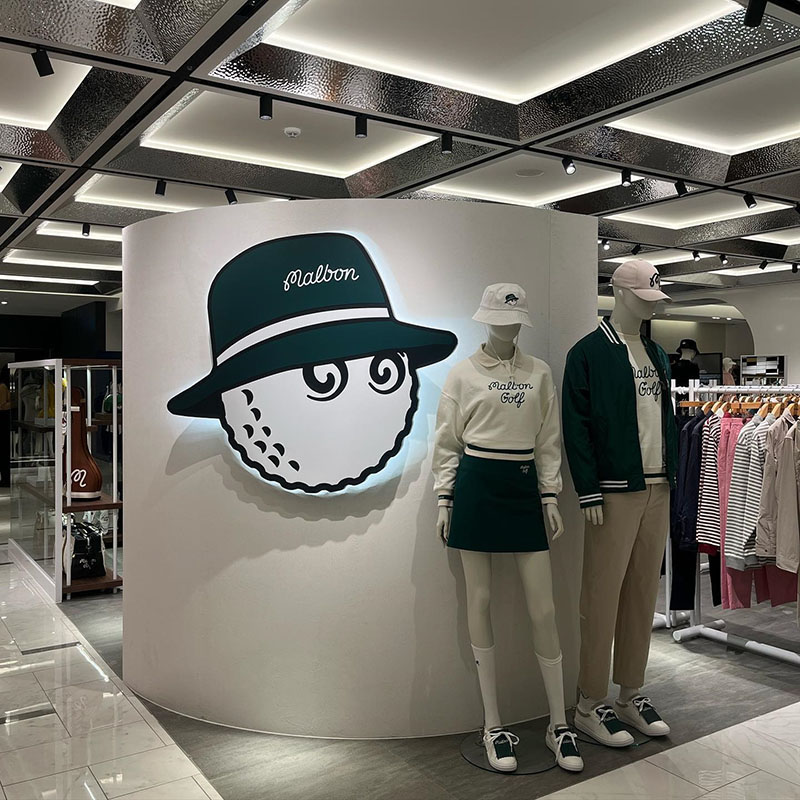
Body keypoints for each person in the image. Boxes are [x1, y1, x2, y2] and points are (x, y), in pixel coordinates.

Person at [0, 367, 11, 488]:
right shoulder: (3, 387)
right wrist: (14, 402)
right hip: (2, 421)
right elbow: (2, 406)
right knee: (3, 451)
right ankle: (5, 478)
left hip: (3, 421)